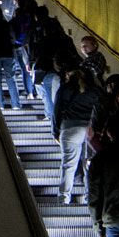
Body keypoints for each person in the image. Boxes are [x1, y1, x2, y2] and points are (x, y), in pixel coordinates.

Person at [51, 67, 104, 203]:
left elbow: (56, 110)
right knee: (89, 165)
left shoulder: (65, 88)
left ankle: (64, 197)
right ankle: (89, 197)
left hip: (70, 128)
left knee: (69, 164)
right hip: (90, 130)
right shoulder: (96, 90)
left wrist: (56, 132)